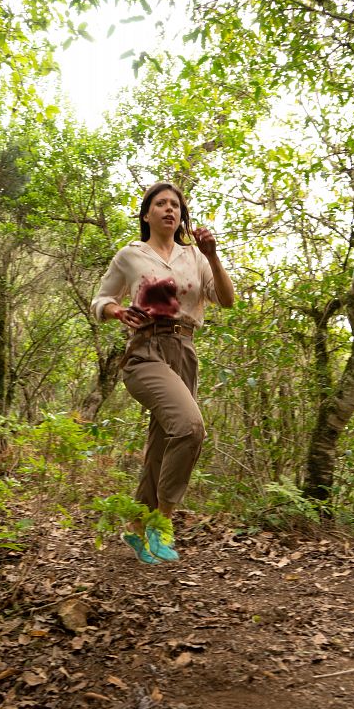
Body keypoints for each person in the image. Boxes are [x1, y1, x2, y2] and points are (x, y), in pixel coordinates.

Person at [91, 182, 234, 564]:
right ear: (146, 214)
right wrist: (117, 312)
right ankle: (163, 519)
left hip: (184, 352)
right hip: (145, 352)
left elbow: (226, 300)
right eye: (161, 203)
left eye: (175, 205)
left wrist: (213, 256)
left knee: (162, 441)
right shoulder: (131, 255)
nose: (169, 209)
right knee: (189, 427)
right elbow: (101, 299)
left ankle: (137, 528)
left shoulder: (196, 257)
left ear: (181, 216)